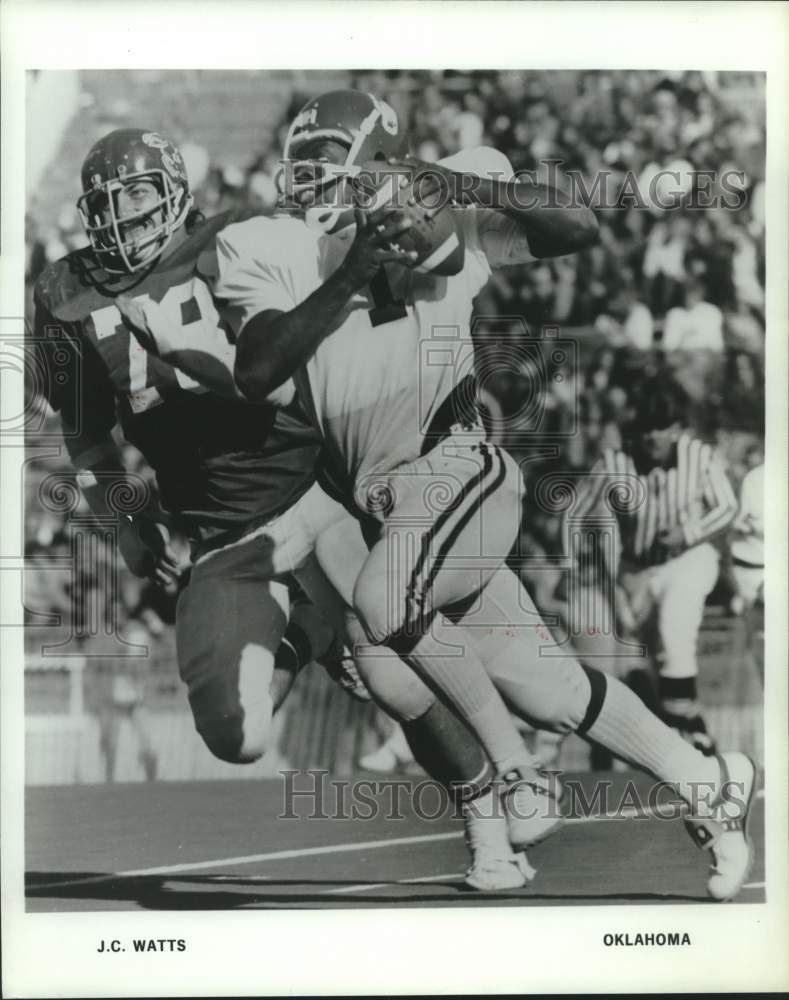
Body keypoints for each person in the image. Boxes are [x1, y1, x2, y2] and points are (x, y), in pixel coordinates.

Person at [146, 91, 756, 900]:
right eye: (310, 153)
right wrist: (357, 267)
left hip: (455, 464)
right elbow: (259, 369)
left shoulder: (447, 194)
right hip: (381, 503)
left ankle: (517, 775)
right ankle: (709, 779)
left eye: (335, 152)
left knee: (381, 597)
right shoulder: (269, 244)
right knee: (555, 690)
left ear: (382, 156)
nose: (315, 171)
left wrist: (463, 187)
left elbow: (578, 227)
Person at [32, 128, 518, 891]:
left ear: (174, 191)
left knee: (395, 679)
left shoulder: (242, 238)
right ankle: (306, 629)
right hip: (224, 530)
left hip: (314, 486)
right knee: (238, 737)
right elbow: (85, 436)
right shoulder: (65, 295)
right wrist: (124, 523)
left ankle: (488, 820)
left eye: (137, 196)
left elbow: (336, 322)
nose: (123, 219)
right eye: (107, 205)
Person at [571, 378, 739, 754]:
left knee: (674, 633)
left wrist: (688, 531)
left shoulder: (698, 456)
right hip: (636, 571)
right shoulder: (616, 463)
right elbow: (577, 514)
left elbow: (727, 506)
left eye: (661, 426)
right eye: (645, 427)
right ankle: (692, 729)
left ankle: (690, 737)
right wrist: (600, 565)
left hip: (689, 559)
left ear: (677, 428)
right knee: (647, 662)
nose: (652, 436)